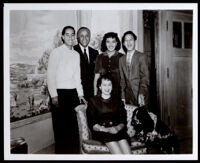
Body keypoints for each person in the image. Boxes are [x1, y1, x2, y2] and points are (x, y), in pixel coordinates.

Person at [47, 26, 86, 154]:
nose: (70, 37)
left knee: (73, 129)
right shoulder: (56, 52)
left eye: (72, 34)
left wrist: (80, 94)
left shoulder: (76, 54)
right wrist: (54, 96)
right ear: (62, 37)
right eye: (67, 35)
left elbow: (77, 76)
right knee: (60, 129)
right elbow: (50, 76)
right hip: (59, 94)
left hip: (73, 94)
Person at [87, 73, 132, 154]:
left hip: (117, 131)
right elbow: (92, 123)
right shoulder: (93, 101)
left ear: (112, 86)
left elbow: (123, 119)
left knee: (128, 155)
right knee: (119, 154)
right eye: (104, 85)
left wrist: (117, 128)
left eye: (109, 85)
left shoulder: (118, 100)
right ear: (100, 87)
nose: (107, 88)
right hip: (102, 132)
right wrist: (105, 129)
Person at [119, 31, 150, 107]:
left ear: (135, 41)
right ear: (123, 43)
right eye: (126, 40)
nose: (128, 42)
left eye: (131, 39)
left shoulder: (141, 56)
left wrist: (141, 93)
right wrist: (122, 96)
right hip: (127, 96)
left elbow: (145, 78)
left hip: (140, 95)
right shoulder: (121, 59)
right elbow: (122, 80)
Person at [94, 32, 123, 99]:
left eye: (113, 42)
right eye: (108, 42)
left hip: (117, 94)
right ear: (105, 43)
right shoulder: (99, 57)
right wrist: (95, 95)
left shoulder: (122, 57)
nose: (110, 44)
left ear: (117, 43)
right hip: (102, 94)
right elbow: (96, 79)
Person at [74, 27, 99, 101]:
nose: (84, 38)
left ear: (90, 37)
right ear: (78, 38)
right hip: (78, 93)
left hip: (92, 92)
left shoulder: (95, 52)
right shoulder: (73, 51)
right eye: (82, 36)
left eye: (87, 35)